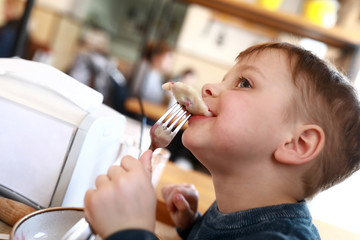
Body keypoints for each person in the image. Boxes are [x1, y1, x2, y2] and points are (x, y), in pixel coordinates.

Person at [83, 42, 360, 240]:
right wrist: (192, 225)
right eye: (225, 79)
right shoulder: (234, 210)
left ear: (297, 144)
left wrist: (131, 230)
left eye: (244, 83)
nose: (209, 87)